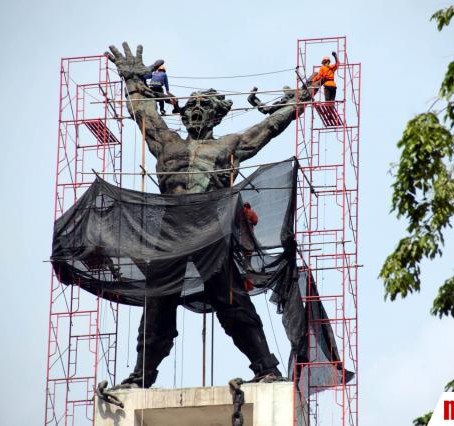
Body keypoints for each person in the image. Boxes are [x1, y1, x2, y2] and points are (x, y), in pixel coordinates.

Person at [103, 42, 312, 389]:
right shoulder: (166, 144)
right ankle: (140, 377)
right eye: (191, 107)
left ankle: (266, 367)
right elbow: (144, 114)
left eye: (204, 108)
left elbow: (267, 128)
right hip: (169, 234)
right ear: (183, 114)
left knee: (231, 301)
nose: (196, 112)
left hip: (210, 232)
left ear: (216, 115)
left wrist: (300, 100)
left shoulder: (226, 146)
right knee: (156, 309)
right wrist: (133, 82)